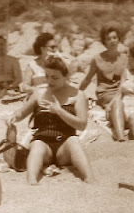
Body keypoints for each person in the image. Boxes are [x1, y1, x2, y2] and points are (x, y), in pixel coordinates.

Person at [8, 56, 95, 185]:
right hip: (44, 144)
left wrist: (59, 111)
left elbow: (82, 125)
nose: (49, 81)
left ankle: (90, 178)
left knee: (74, 140)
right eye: (47, 76)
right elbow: (21, 113)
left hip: (64, 146)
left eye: (55, 77)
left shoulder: (77, 95)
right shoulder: (39, 93)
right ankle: (32, 181)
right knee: (37, 144)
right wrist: (12, 116)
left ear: (66, 77)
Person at [79, 23, 128, 141]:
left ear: (119, 39)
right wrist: (76, 94)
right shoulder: (97, 58)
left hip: (122, 91)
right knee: (118, 104)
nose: (112, 41)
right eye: (108, 38)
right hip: (105, 93)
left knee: (132, 106)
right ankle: (121, 136)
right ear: (104, 41)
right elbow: (87, 79)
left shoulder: (124, 58)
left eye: (114, 38)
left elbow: (125, 80)